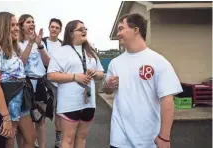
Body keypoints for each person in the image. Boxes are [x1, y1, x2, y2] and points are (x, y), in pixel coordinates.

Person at [102, 13, 183, 148]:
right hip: (119, 138)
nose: (118, 34)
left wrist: (164, 137)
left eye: (121, 28)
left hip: (148, 139)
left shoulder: (159, 62)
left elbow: (167, 101)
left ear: (136, 30)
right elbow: (107, 91)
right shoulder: (115, 63)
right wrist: (108, 85)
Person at [0, 12, 36, 148]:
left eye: (17, 25)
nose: (17, 28)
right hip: (7, 103)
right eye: (12, 25)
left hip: (21, 100)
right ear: (2, 27)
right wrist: (6, 117)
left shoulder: (12, 49)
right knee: (9, 141)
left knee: (30, 138)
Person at [47, 20, 104, 148]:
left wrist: (95, 73)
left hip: (89, 102)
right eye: (80, 29)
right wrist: (75, 77)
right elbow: (51, 75)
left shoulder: (91, 51)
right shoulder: (62, 52)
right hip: (69, 103)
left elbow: (101, 74)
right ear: (71, 33)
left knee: (82, 137)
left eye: (85, 28)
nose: (84, 31)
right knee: (68, 138)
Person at [17, 14, 53, 148]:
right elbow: (22, 62)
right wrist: (31, 43)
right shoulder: (18, 42)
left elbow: (48, 62)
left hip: (40, 84)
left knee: (40, 119)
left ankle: (41, 146)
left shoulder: (39, 41)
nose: (32, 24)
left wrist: (39, 45)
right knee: (24, 121)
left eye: (33, 22)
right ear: (21, 25)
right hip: (26, 84)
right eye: (28, 22)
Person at [42, 18, 63, 148]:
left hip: (60, 83)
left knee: (59, 113)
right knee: (41, 113)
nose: (54, 29)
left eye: (57, 27)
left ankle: (58, 141)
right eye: (52, 27)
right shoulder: (42, 42)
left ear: (60, 30)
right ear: (49, 28)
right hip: (46, 83)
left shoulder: (64, 44)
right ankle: (39, 140)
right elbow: (45, 62)